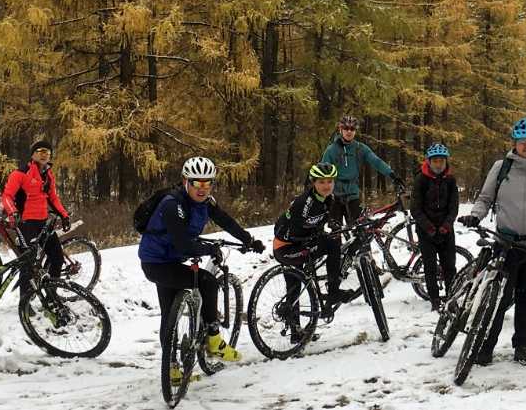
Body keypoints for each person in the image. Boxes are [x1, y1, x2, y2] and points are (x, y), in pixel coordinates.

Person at [139, 156, 265, 381]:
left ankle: (172, 370)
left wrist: (248, 240)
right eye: (197, 183)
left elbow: (225, 220)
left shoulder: (205, 203)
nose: (202, 188)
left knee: (169, 315)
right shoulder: (172, 205)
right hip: (157, 263)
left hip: (170, 260)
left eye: (208, 183)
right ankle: (214, 339)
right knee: (208, 281)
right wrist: (208, 249)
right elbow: (183, 244)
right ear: (185, 181)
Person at [458, 117, 526, 367]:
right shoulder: (501, 167)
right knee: (498, 298)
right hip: (506, 243)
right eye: (522, 141)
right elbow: (485, 198)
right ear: (514, 143)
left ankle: (522, 347)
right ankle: (486, 346)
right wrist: (475, 215)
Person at [272, 162, 364, 312]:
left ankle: (294, 325)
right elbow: (286, 227)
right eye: (321, 182)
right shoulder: (305, 203)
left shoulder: (328, 199)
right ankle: (333, 292)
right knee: (332, 246)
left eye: (330, 181)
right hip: (286, 249)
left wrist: (327, 227)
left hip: (299, 245)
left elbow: (318, 221)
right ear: (313, 183)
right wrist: (314, 236)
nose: (326, 186)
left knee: (294, 291)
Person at [1, 140, 70, 290]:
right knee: (29, 264)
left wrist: (64, 215)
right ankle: (25, 300)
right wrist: (13, 212)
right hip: (26, 223)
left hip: (43, 222)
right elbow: (6, 196)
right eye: (41, 151)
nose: (44, 155)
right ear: (33, 155)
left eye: (48, 152)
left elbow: (53, 198)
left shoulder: (48, 175)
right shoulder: (21, 173)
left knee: (57, 258)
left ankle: (51, 294)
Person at [319, 115, 400, 230]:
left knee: (360, 231)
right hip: (334, 195)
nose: (349, 131)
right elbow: (323, 172)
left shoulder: (359, 148)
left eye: (352, 129)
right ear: (340, 130)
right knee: (335, 233)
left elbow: (376, 161)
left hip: (353, 194)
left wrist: (392, 174)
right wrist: (324, 193)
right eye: (346, 128)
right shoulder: (332, 150)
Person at [410, 142, 460, 309]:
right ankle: (434, 299)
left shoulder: (450, 180)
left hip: (446, 229)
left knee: (449, 267)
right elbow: (415, 208)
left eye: (441, 161)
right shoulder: (421, 180)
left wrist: (446, 225)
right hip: (426, 230)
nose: (438, 164)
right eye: (435, 161)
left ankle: (451, 298)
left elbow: (453, 207)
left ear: (446, 161)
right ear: (429, 162)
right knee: (430, 267)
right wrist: (429, 228)